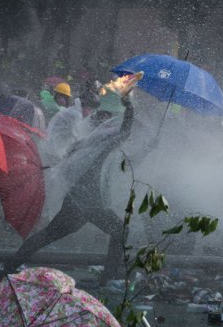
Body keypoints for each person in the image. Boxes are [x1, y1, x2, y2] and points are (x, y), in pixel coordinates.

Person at [13, 92, 135, 282]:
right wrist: (130, 107)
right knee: (121, 231)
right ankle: (107, 279)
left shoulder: (91, 139)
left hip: (79, 200)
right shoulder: (103, 140)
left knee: (50, 234)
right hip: (89, 203)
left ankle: (9, 265)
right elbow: (125, 132)